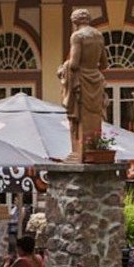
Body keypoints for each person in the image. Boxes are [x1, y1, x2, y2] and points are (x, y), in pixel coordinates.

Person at [57, 8, 109, 161]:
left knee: (78, 118)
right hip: (96, 80)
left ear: (74, 22)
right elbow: (104, 64)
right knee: (94, 118)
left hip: (81, 81)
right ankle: (93, 149)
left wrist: (62, 68)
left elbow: (73, 64)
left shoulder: (77, 36)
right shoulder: (98, 36)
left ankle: (79, 153)